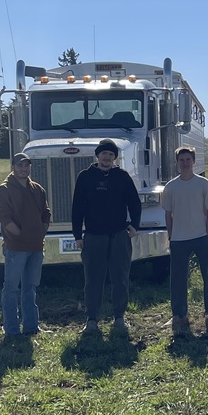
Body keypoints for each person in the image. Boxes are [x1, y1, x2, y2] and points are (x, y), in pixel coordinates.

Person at [71, 139, 141, 334]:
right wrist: (78, 235)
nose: (107, 157)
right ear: (97, 155)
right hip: (93, 236)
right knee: (93, 279)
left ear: (114, 158)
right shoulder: (85, 177)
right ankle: (91, 320)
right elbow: (77, 208)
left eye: (111, 154)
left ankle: (119, 317)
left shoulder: (122, 176)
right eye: (104, 154)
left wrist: (134, 225)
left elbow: (134, 203)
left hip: (119, 235)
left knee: (120, 278)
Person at [160, 146, 208, 334]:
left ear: (193, 161)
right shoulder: (171, 187)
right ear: (177, 163)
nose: (185, 163)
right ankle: (179, 315)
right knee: (178, 279)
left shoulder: (203, 184)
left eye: (188, 160)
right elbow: (168, 214)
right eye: (182, 160)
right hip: (179, 239)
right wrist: (171, 236)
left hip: (201, 237)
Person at [0, 152, 51, 337]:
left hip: (36, 247)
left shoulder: (37, 189)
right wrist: (19, 234)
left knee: (30, 288)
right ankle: (11, 330)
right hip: (15, 248)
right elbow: (4, 216)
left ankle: (31, 327)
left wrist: (42, 230)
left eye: (26, 165)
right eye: (20, 165)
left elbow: (45, 211)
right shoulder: (4, 189)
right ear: (12, 168)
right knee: (11, 289)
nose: (23, 169)